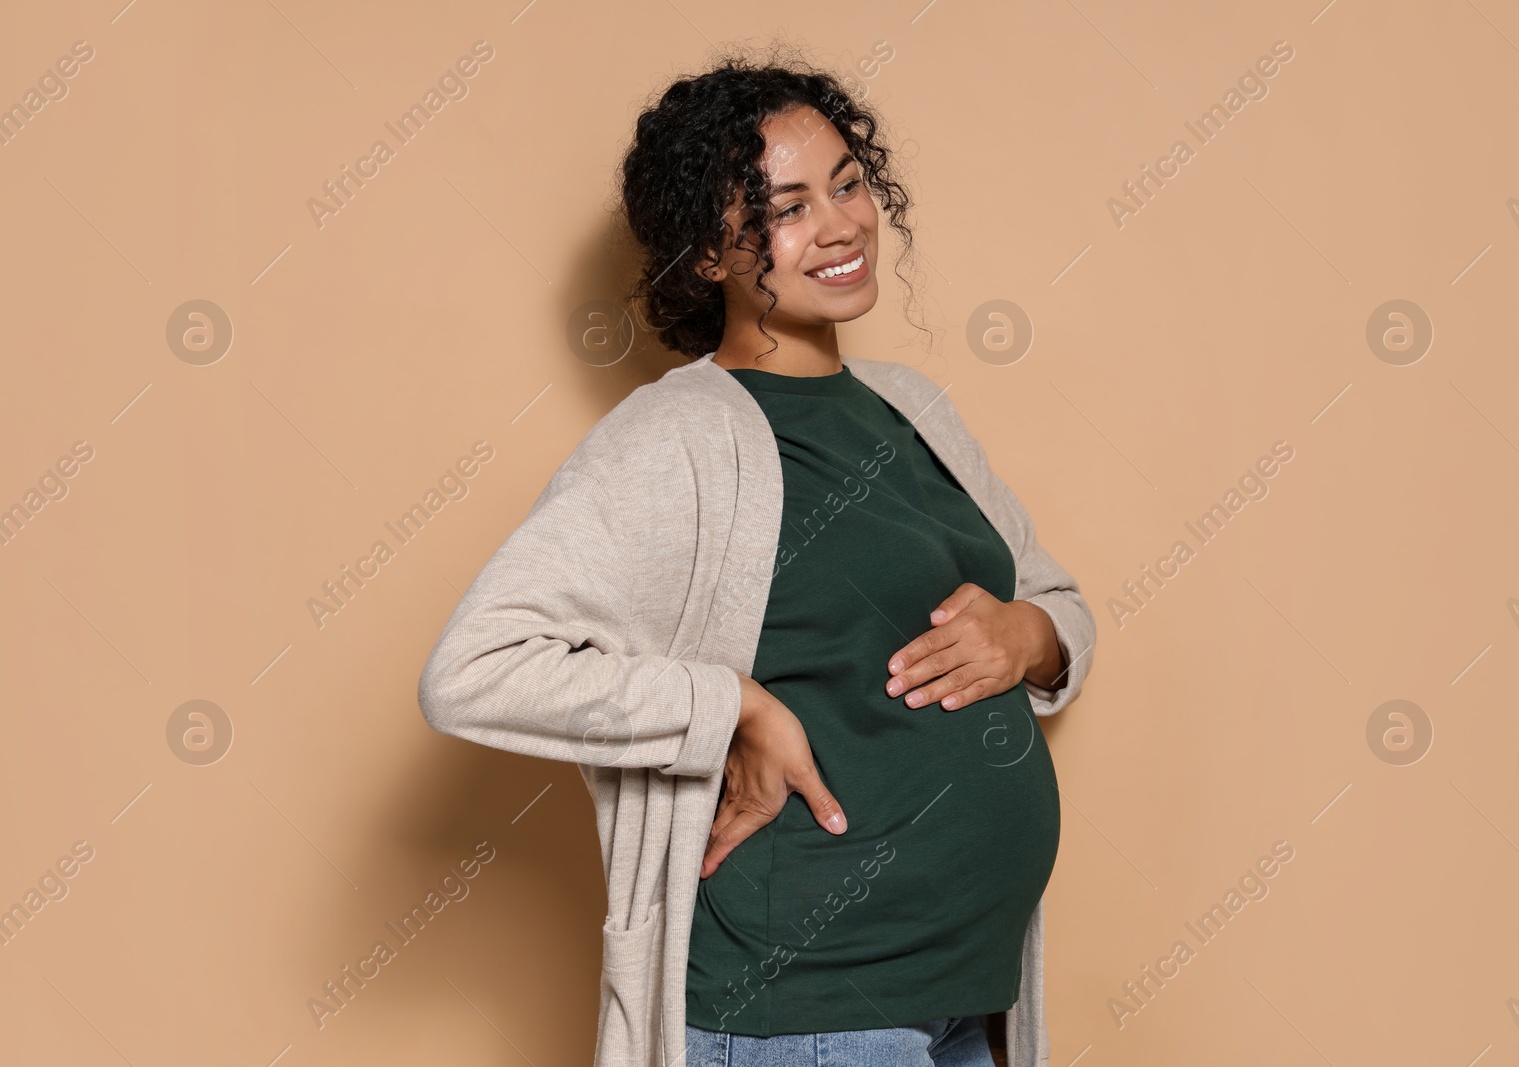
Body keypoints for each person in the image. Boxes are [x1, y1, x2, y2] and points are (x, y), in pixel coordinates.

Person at [417, 46, 1096, 1067]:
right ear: (708, 253)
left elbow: (1050, 594)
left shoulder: (915, 409)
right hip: (810, 1011)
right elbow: (473, 671)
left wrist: (1031, 635)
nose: (838, 224)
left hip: (963, 995)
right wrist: (728, 704)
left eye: (848, 182)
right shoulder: (678, 437)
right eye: (784, 207)